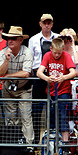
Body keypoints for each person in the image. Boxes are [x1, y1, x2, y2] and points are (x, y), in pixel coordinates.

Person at [36, 38, 77, 155]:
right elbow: (39, 72)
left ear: (63, 49)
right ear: (51, 49)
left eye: (59, 53)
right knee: (51, 116)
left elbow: (73, 72)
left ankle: (65, 146)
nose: (57, 55)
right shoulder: (48, 56)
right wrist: (47, 78)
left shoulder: (67, 56)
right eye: (55, 53)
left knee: (63, 117)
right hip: (51, 91)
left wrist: (63, 77)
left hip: (64, 90)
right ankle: (51, 144)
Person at [0, 26, 34, 153]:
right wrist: (7, 60)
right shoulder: (3, 52)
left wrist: (9, 75)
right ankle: (12, 143)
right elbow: (0, 72)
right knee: (10, 117)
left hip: (24, 88)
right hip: (8, 88)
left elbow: (26, 73)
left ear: (20, 40)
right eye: (8, 38)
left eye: (13, 38)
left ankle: (29, 146)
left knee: (26, 117)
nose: (10, 41)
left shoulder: (27, 52)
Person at [28, 14, 59, 145]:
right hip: (37, 75)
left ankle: (52, 140)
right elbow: (30, 59)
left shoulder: (58, 37)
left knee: (53, 108)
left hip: (54, 74)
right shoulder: (33, 39)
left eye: (49, 22)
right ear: (40, 24)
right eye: (44, 22)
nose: (46, 25)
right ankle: (35, 141)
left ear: (52, 24)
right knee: (36, 109)